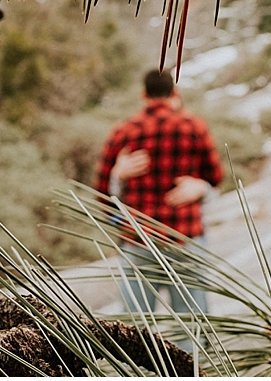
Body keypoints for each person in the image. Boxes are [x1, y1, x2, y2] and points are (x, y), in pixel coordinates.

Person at [94, 69, 222, 343]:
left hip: (139, 242)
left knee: (134, 332)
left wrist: (118, 178)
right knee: (190, 328)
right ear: (175, 94)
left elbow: (102, 197)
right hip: (185, 239)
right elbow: (216, 179)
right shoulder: (194, 127)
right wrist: (200, 188)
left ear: (143, 95)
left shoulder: (124, 133)